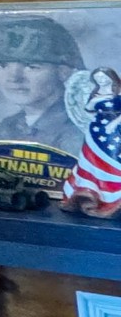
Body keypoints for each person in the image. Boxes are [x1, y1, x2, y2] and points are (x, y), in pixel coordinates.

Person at [0, 15, 85, 153]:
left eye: (31, 66)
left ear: (63, 72)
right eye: (1, 66)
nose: (14, 78)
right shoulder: (10, 127)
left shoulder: (78, 130)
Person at [61, 68, 121, 219]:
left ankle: (112, 195)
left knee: (112, 160)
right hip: (95, 129)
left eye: (104, 78)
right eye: (98, 78)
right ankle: (91, 190)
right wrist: (95, 99)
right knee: (90, 158)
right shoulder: (96, 93)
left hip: (113, 131)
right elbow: (88, 108)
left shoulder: (118, 92)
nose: (101, 80)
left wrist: (114, 124)